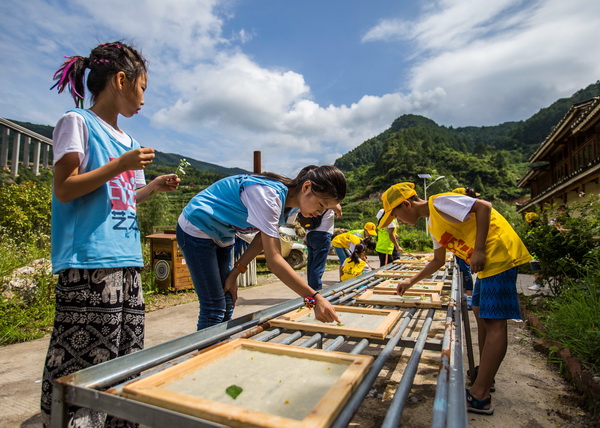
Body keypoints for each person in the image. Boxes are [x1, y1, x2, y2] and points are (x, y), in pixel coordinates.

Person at [41, 41, 180, 427]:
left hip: (127, 260)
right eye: (143, 88)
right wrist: (119, 164)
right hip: (89, 262)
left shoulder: (129, 143)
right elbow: (66, 187)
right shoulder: (77, 122)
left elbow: (125, 197)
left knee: (124, 357)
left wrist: (151, 187)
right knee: (84, 363)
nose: (143, 99)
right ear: (121, 80)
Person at [377, 182, 531, 416]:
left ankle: (480, 396)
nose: (397, 219)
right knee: (479, 310)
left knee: (495, 323)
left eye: (396, 213)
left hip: (498, 254)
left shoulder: (439, 203)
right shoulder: (433, 225)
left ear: (406, 204)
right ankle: (484, 376)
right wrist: (411, 282)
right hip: (488, 264)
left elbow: (483, 207)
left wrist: (478, 249)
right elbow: (437, 260)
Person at [177, 165, 346, 330]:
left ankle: (218, 349)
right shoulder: (268, 196)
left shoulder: (291, 207)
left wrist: (235, 273)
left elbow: (261, 239)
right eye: (322, 204)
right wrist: (314, 298)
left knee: (228, 301)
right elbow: (274, 261)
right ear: (307, 187)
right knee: (214, 307)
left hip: (223, 235)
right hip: (196, 228)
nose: (320, 212)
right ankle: (207, 356)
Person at [300, 204, 343, 292]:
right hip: (323, 234)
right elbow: (337, 207)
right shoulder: (327, 197)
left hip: (310, 234)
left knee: (312, 264)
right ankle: (316, 291)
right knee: (318, 265)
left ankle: (311, 289)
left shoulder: (313, 198)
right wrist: (339, 212)